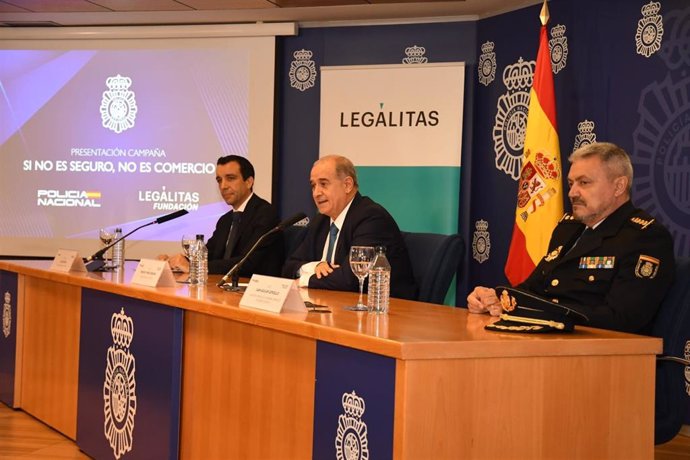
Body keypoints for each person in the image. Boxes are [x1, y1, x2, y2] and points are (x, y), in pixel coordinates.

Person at [467, 142, 675, 333]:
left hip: (599, 354)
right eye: (571, 183)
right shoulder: (568, 228)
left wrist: (547, 314)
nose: (572, 192)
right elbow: (533, 288)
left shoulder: (644, 237)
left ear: (619, 187)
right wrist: (495, 299)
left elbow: (624, 318)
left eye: (584, 182)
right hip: (552, 340)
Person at [282, 155, 417, 300]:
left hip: (385, 310)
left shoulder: (371, 218)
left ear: (347, 185)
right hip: (335, 304)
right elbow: (289, 267)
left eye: (323, 184)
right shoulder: (321, 220)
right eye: (313, 185)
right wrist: (315, 267)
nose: (316, 193)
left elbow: (349, 279)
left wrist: (304, 280)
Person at [160, 155, 283, 277]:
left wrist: (193, 267)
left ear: (249, 182)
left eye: (230, 178)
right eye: (219, 180)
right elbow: (208, 254)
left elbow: (247, 263)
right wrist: (176, 261)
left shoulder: (265, 214)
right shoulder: (225, 220)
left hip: (253, 290)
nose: (223, 186)